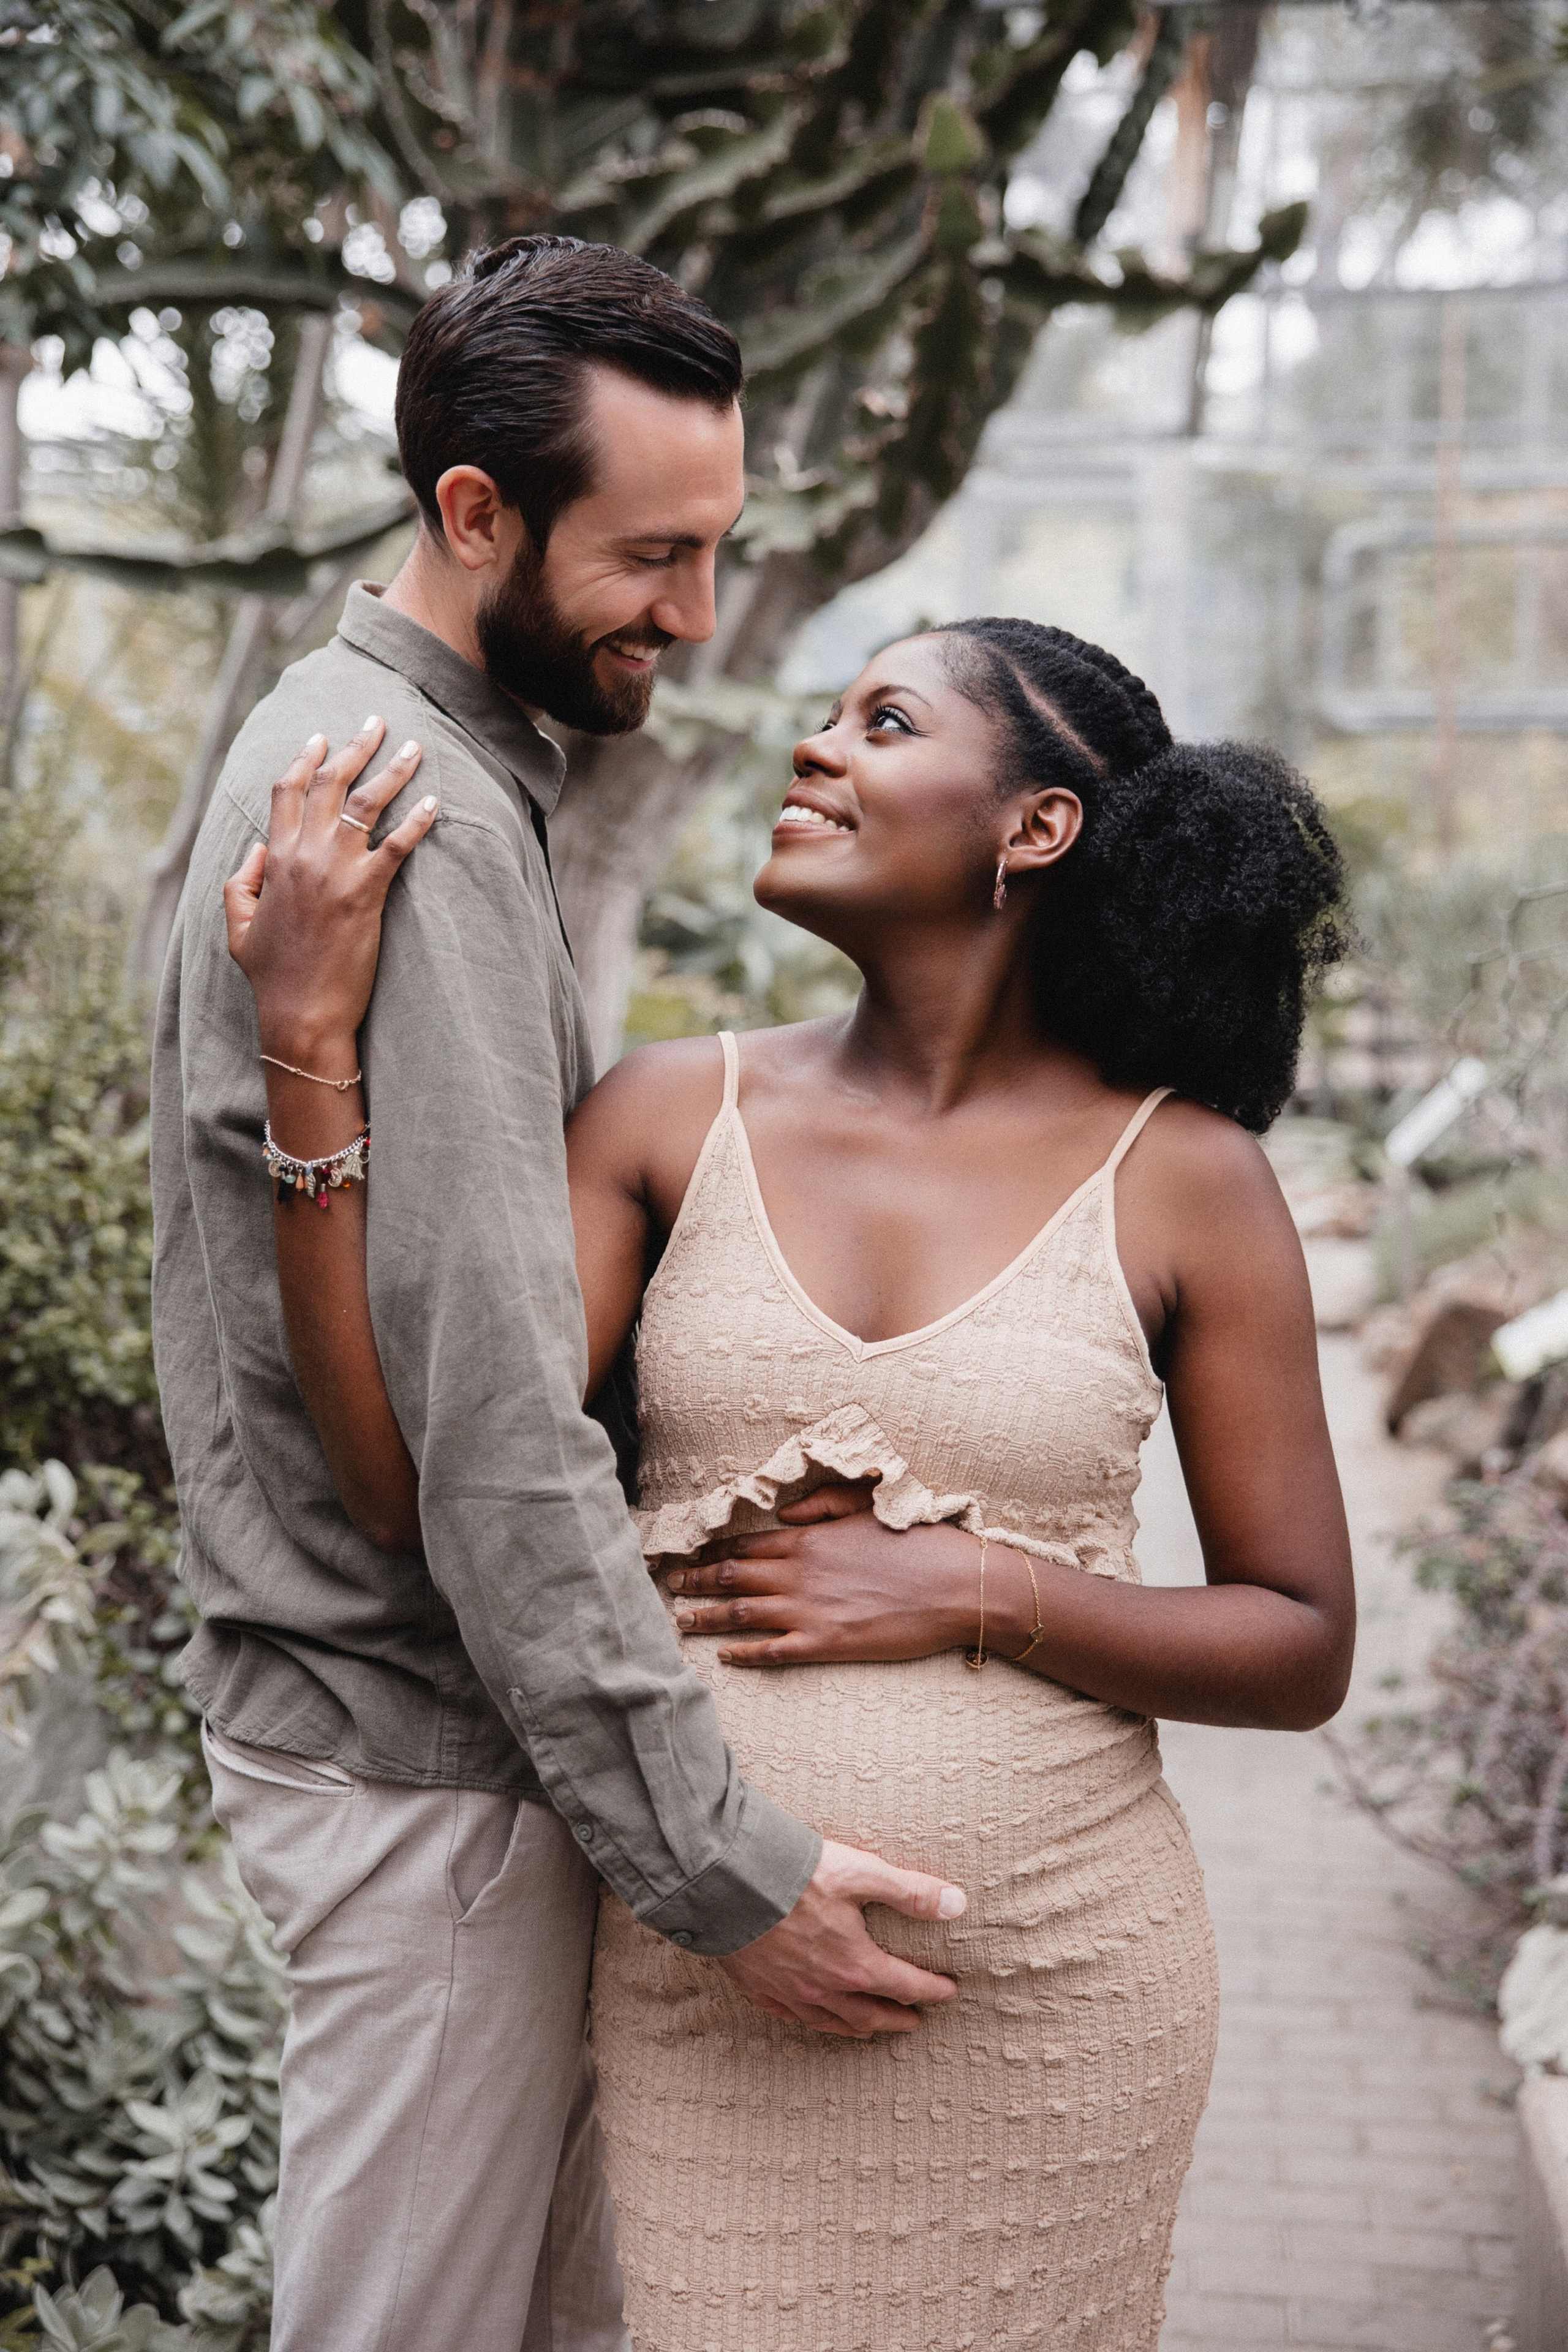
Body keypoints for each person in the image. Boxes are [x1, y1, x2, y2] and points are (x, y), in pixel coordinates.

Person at [225, 613, 1358, 2346]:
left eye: (882, 720)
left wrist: (979, 1589)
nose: (813, 748)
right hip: (710, 1987)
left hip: (1062, 1992)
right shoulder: (668, 1117)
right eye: (826, 715)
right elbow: (408, 1481)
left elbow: (1301, 1644)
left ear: (1034, 827)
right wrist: (308, 1050)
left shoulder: (1187, 1177)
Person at [149, 236, 969, 2352]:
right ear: (476, 515)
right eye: (655, 555)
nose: (696, 620)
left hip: (426, 1745)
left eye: (722, 550)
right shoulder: (395, 808)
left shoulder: (377, 758)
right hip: (422, 1760)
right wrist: (721, 1862)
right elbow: (486, 1418)